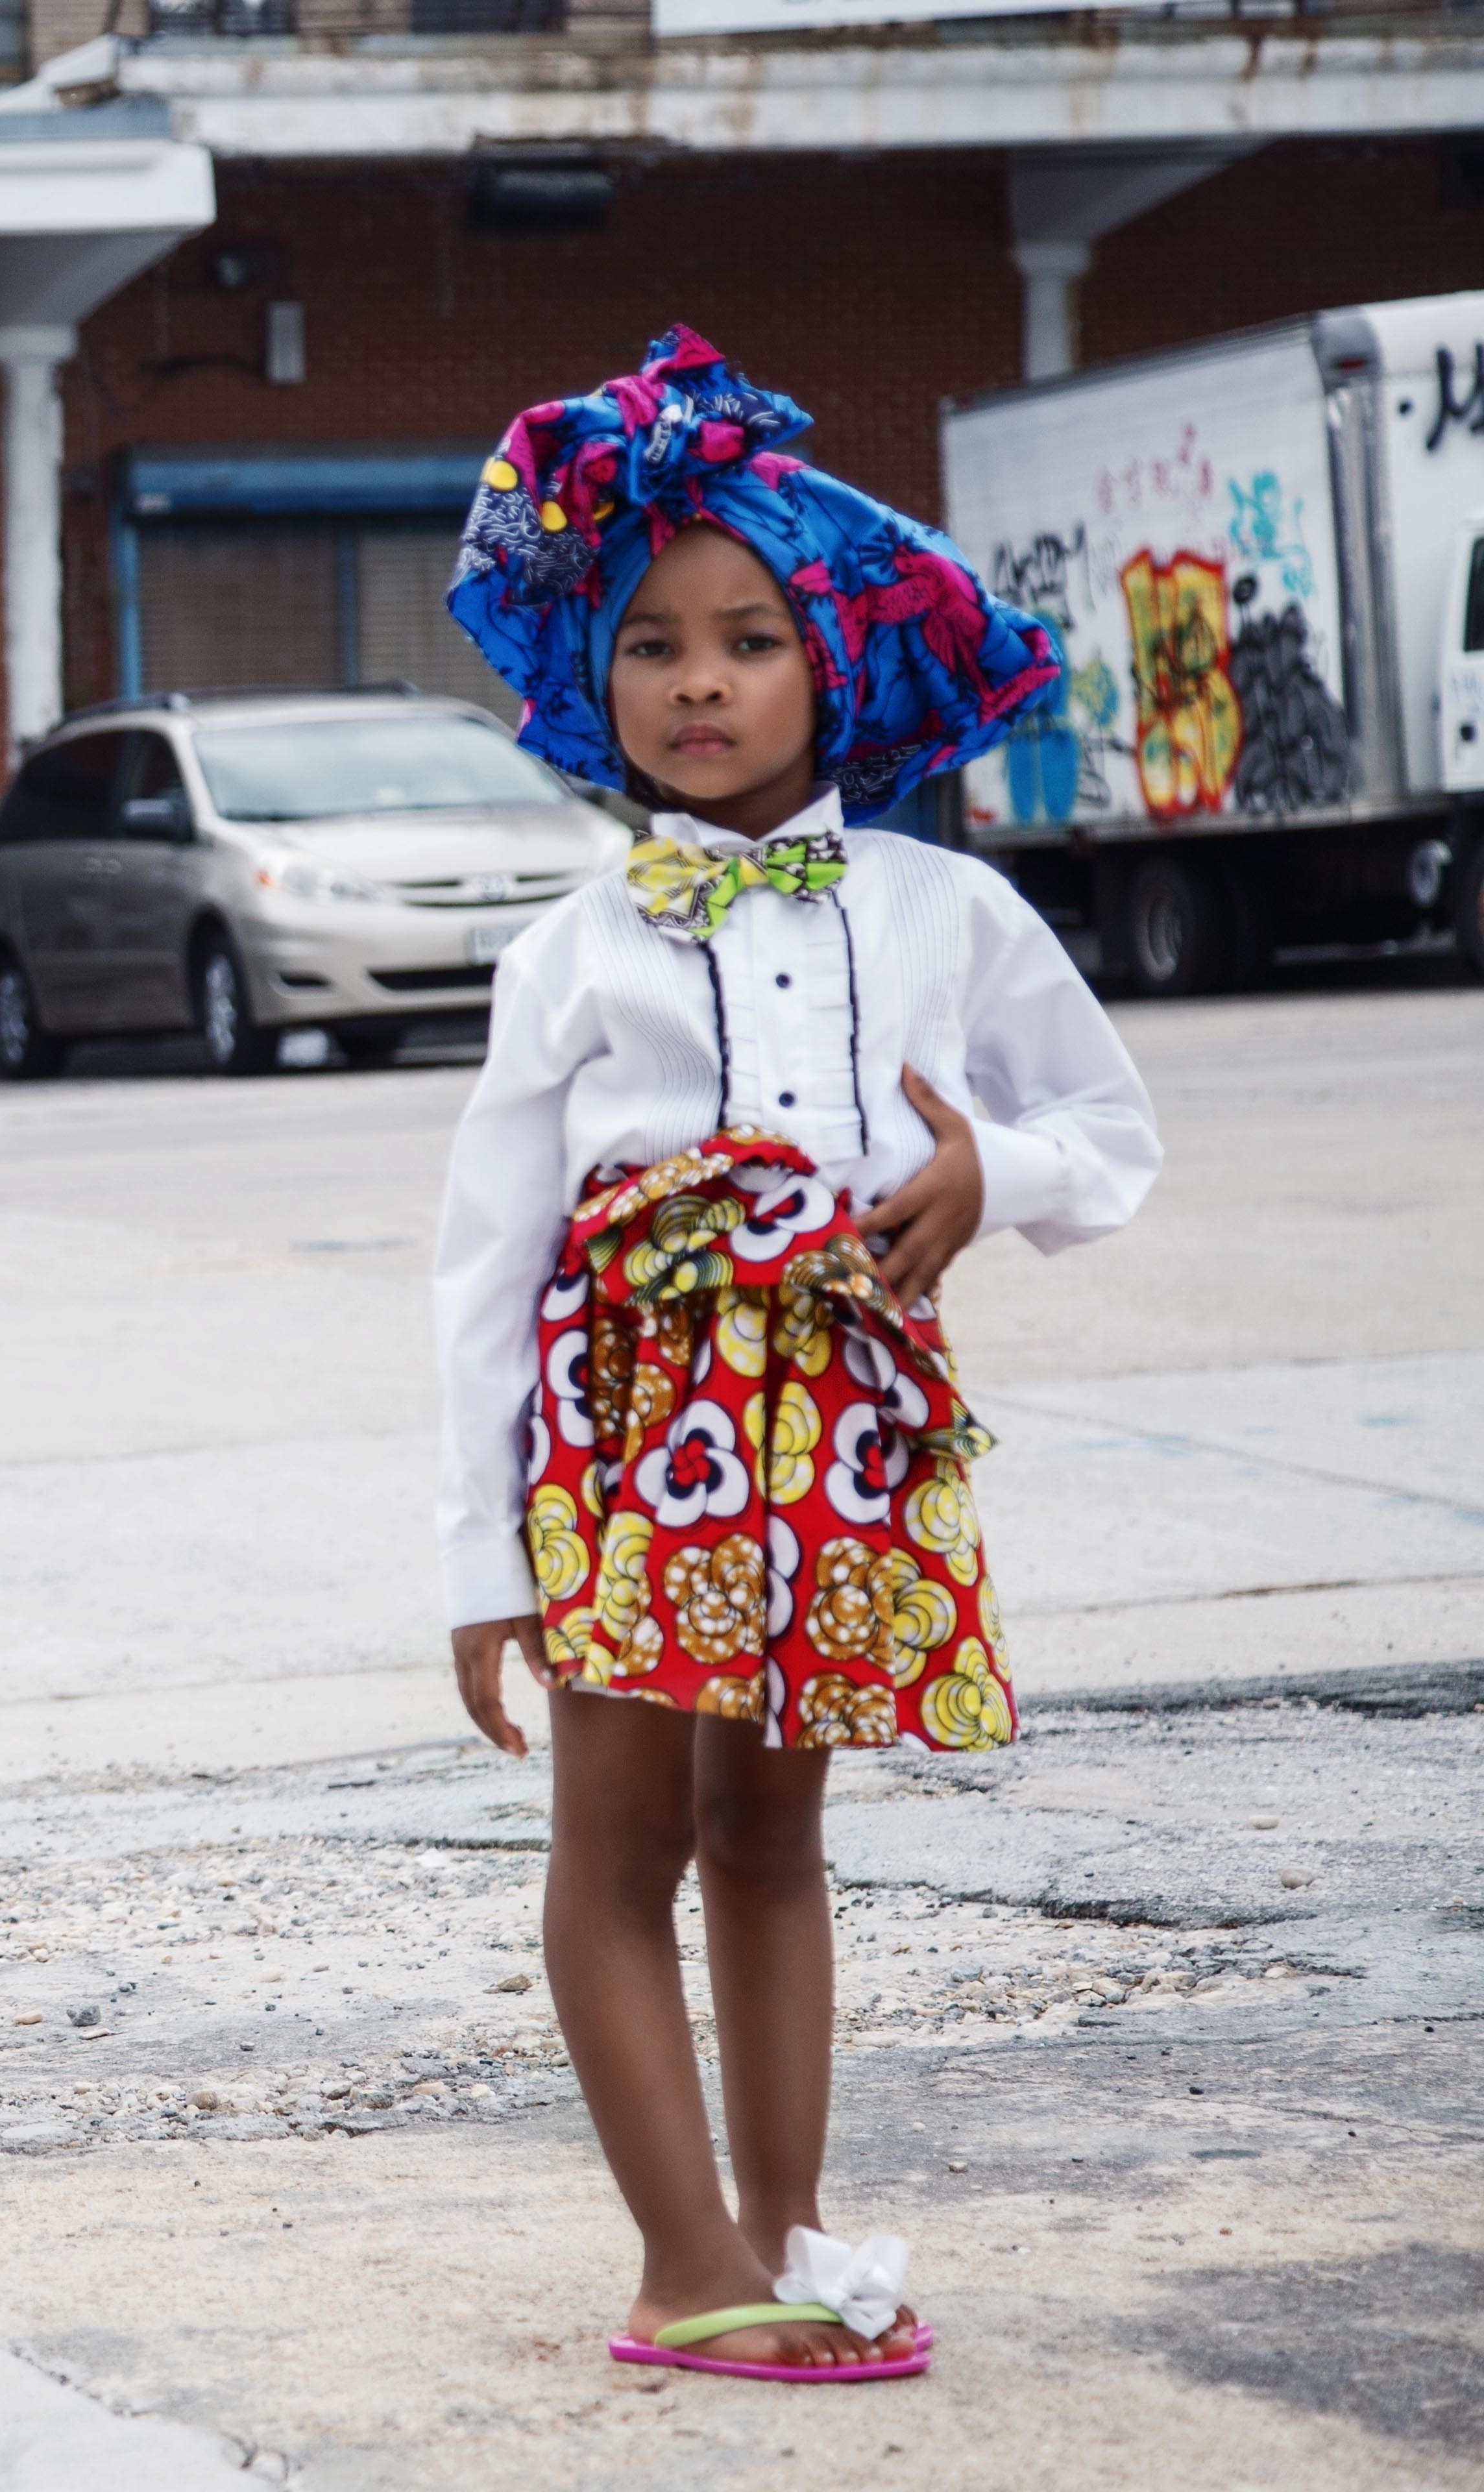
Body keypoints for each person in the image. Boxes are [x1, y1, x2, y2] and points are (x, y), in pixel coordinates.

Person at [431, 328, 1160, 2379]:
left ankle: (780, 2233)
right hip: (628, 1437)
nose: (699, 683)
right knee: (620, 1847)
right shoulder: (569, 951)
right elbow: (485, 1262)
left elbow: (1111, 1132)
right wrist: (480, 1555)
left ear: (834, 662)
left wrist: (986, 1177)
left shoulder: (944, 910)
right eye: (652, 646)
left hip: (840, 1426)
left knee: (771, 1840)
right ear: (594, 683)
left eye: (748, 641)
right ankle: (681, 2269)